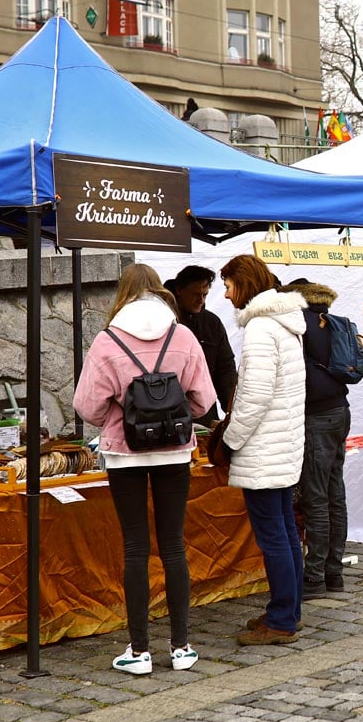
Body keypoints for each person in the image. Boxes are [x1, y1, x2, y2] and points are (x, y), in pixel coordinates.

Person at [72, 263, 215, 675]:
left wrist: (120, 410)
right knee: (173, 546)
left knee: (135, 548)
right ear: (158, 291)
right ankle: (182, 648)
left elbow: (87, 407)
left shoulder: (107, 340)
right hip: (175, 453)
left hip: (125, 455)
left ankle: (139, 651)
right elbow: (203, 401)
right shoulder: (183, 335)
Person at [218, 254, 308, 645]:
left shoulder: (260, 329)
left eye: (228, 285)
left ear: (245, 284)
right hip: (282, 444)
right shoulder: (285, 325)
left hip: (264, 447)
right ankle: (287, 610)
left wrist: (229, 440)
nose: (224, 294)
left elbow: (254, 395)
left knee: (275, 533)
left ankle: (282, 620)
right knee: (285, 529)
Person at [283, 278, 354, 597]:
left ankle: (315, 577)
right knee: (334, 492)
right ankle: (334, 573)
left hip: (316, 416)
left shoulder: (299, 324)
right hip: (340, 410)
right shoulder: (331, 321)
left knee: (316, 496)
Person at [165, 265, 238, 424]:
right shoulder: (163, 320)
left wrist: (231, 410)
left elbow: (225, 369)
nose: (201, 300)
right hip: (167, 414)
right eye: (195, 294)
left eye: (205, 295)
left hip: (205, 415)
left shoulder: (212, 323)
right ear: (179, 290)